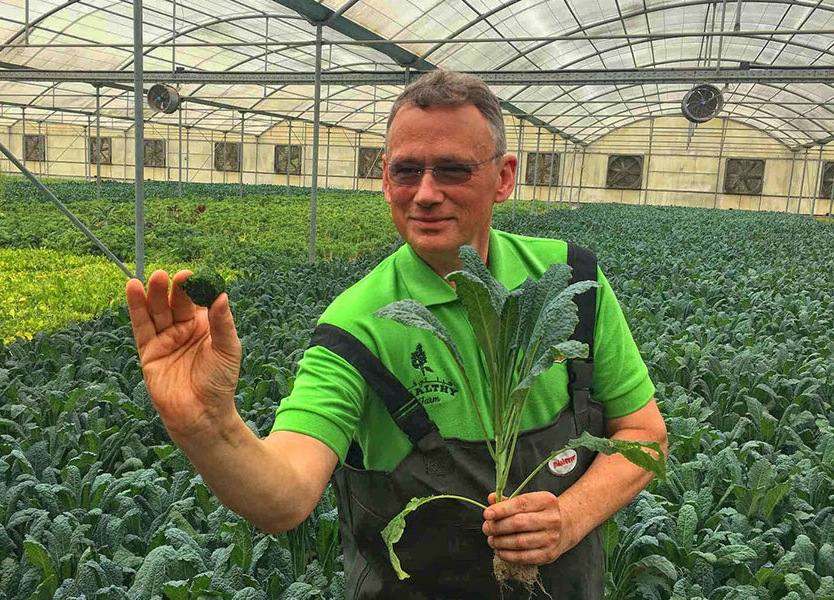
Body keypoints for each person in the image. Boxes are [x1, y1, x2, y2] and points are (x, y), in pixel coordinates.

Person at [125, 70, 668, 599]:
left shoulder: (570, 280)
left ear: (504, 177)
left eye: (453, 170)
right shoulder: (356, 323)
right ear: (385, 177)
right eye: (407, 171)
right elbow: (285, 497)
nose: (425, 193)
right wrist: (207, 425)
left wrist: (570, 516)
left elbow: (645, 432)